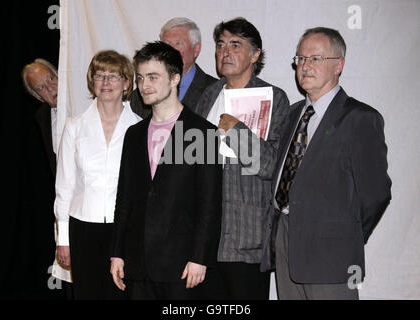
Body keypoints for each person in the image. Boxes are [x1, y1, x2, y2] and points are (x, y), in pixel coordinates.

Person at [260, 27, 392, 300]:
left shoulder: (360, 119)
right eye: (301, 59)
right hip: (285, 245)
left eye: (316, 59)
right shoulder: (294, 113)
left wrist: (342, 234)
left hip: (331, 255)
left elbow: (376, 194)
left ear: (339, 66)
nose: (305, 66)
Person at [110, 41, 222, 300]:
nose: (144, 85)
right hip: (138, 263)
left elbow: (209, 203)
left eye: (153, 77)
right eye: (140, 77)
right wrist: (117, 252)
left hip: (182, 266)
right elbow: (124, 198)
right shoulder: (134, 134)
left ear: (175, 78)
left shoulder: (201, 132)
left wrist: (199, 257)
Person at [193, 17, 290, 299]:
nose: (225, 52)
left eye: (236, 45)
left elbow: (273, 165)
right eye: (221, 45)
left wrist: (237, 132)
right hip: (205, 237)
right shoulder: (208, 95)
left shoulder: (274, 98)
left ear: (255, 54)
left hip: (246, 237)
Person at [54, 50, 142, 299]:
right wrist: (64, 238)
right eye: (100, 75)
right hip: (84, 229)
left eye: (114, 76)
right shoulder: (75, 127)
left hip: (124, 231)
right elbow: (65, 186)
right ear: (92, 81)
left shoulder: (138, 128)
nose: (106, 82)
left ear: (127, 83)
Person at [21, 59, 72, 299]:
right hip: (66, 207)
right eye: (41, 87)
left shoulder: (87, 105)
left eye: (50, 79)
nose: (50, 88)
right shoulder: (42, 117)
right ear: (37, 96)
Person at [131, 17, 216, 118]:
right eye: (166, 44)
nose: (170, 50)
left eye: (178, 43)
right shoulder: (139, 96)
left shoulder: (215, 90)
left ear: (196, 49)